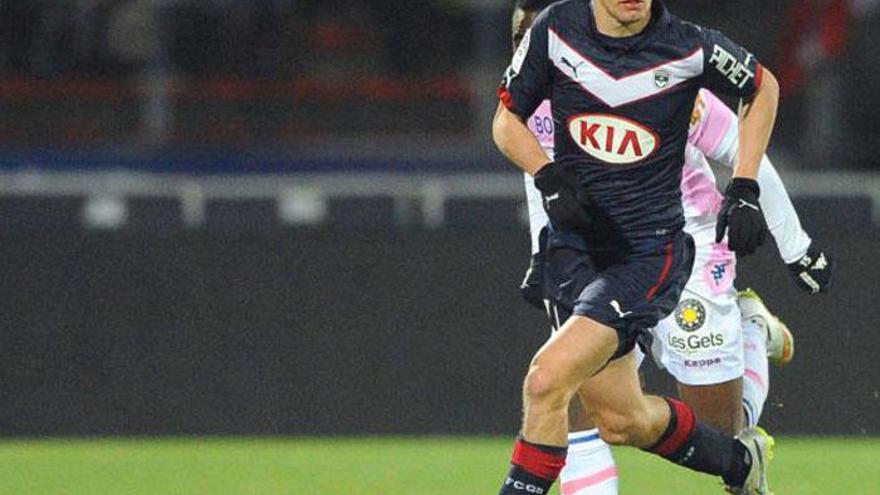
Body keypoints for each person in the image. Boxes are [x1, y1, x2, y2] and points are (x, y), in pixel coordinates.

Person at [510, 2, 834, 493]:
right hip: (600, 255)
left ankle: (749, 335)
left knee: (718, 429)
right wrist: (542, 251)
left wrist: (796, 247)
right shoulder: (533, 102)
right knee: (588, 401)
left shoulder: (666, 68)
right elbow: (541, 181)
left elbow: (748, 142)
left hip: (687, 242)